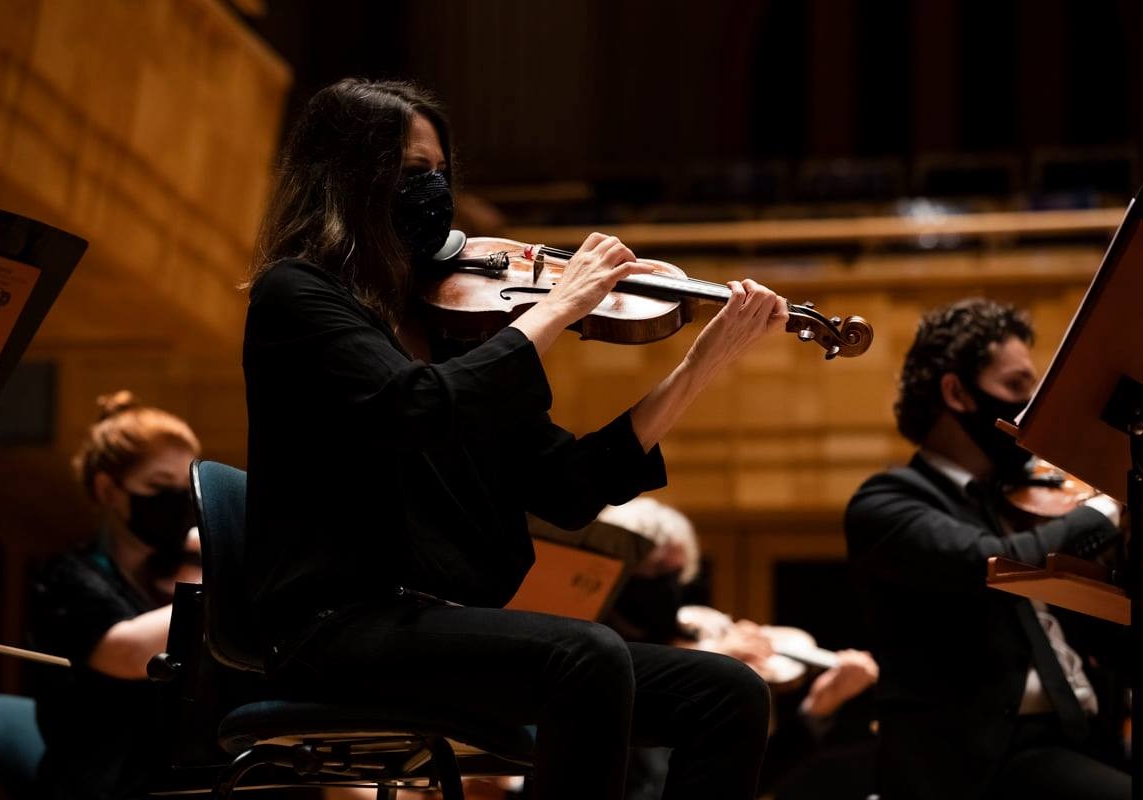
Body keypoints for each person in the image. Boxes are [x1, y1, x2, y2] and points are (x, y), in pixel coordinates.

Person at [242, 78, 785, 800]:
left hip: (440, 628)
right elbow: (417, 407)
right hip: (333, 627)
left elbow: (565, 485)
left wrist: (697, 367)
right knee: (583, 655)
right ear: (348, 175)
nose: (433, 191)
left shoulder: (445, 325)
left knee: (727, 690)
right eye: (412, 173)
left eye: (440, 174)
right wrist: (558, 306)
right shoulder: (298, 296)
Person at [844, 298, 1137, 799]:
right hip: (982, 761)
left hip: (1085, 737)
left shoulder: (1028, 502)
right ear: (957, 392)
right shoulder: (886, 503)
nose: (1033, 409)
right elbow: (990, 565)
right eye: (1018, 387)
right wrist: (1107, 508)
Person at [598, 497, 878, 799]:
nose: (668, 588)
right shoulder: (597, 656)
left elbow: (736, 783)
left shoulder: (688, 635)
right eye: (653, 573)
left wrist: (815, 710)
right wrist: (707, 666)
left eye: (676, 574)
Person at [31, 391, 202, 800]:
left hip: (175, 778)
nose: (179, 503)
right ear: (109, 490)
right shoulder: (67, 576)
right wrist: (224, 575)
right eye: (160, 485)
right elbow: (127, 652)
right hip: (102, 782)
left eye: (186, 488)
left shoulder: (174, 573)